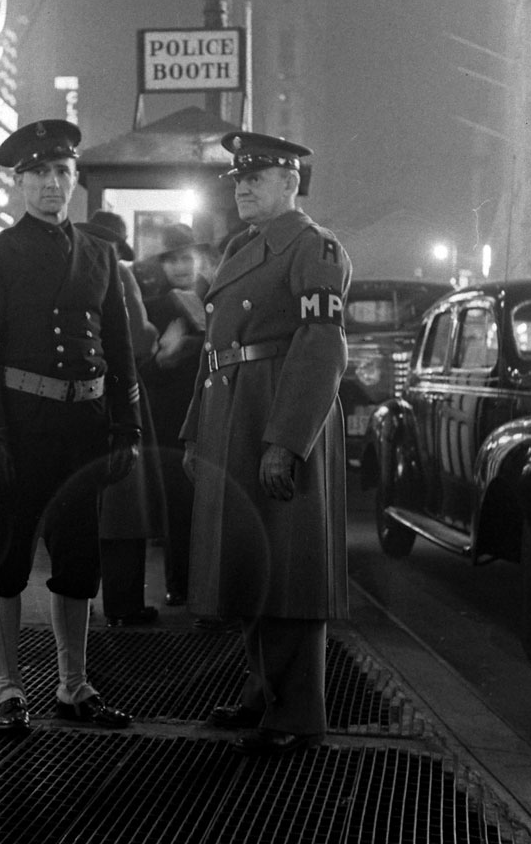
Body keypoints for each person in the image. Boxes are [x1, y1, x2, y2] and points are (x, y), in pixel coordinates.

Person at [0, 119, 142, 736]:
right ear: (18, 183)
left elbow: (118, 346)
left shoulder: (100, 253)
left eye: (60, 173)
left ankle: (73, 686)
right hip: (23, 424)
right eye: (37, 174)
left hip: (83, 428)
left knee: (78, 560)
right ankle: (6, 688)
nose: (50, 185)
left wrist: (126, 425)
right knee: (7, 562)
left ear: (74, 180)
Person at [180, 130, 352, 756]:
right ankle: (263, 693)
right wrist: (199, 433)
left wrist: (287, 439)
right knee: (251, 562)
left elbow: (321, 345)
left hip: (278, 407)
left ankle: (299, 712)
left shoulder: (316, 248)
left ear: (291, 183)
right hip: (235, 407)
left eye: (258, 177)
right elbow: (215, 349)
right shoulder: (242, 248)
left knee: (289, 567)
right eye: (238, 179)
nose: (244, 187)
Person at [75, 210, 167, 627]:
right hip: (121, 395)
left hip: (78, 400)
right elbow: (140, 339)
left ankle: (78, 603)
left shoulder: (69, 266)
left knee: (86, 509)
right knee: (125, 504)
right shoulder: (118, 271)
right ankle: (124, 604)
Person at [137, 223, 209, 611]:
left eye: (187, 257)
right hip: (171, 426)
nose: (181, 265)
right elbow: (141, 371)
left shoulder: (218, 299)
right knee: (178, 508)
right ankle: (180, 585)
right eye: (173, 259)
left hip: (213, 415)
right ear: (163, 266)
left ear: (199, 259)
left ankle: (213, 584)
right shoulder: (153, 308)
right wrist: (163, 359)